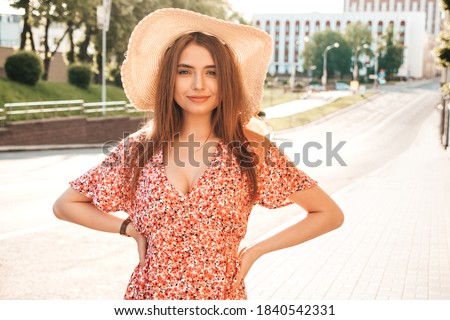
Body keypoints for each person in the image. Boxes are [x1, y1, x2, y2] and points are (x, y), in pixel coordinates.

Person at [53, 8, 344, 300]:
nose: (198, 84)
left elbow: (328, 214)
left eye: (212, 72)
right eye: (184, 71)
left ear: (225, 80)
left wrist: (256, 250)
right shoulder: (138, 150)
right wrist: (128, 228)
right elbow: (66, 205)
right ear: (170, 78)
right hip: (148, 299)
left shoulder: (251, 149)